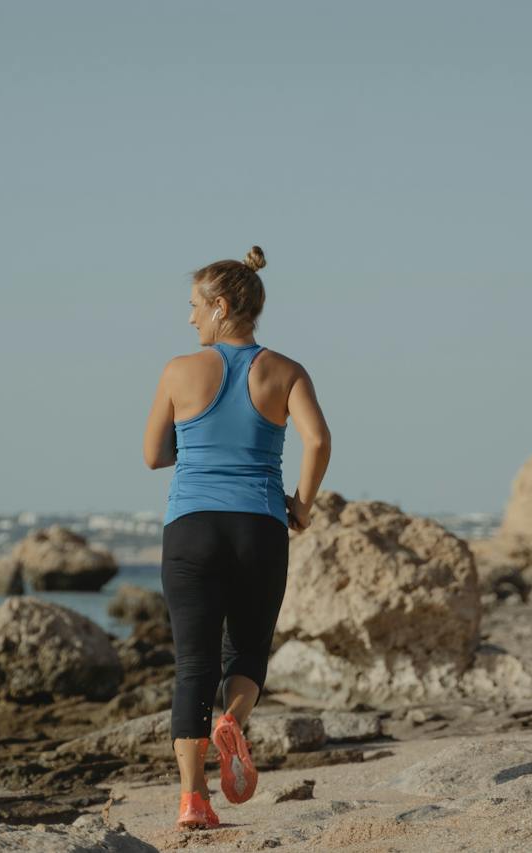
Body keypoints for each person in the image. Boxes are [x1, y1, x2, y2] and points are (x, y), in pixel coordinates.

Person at [142, 245, 332, 830]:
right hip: (259, 525)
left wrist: (198, 440)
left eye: (195, 306)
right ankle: (233, 722)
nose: (190, 318)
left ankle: (193, 800)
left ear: (221, 307)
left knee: (193, 665)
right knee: (246, 650)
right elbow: (318, 441)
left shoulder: (178, 371)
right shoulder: (286, 370)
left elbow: (153, 455)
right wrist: (302, 506)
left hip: (191, 528)